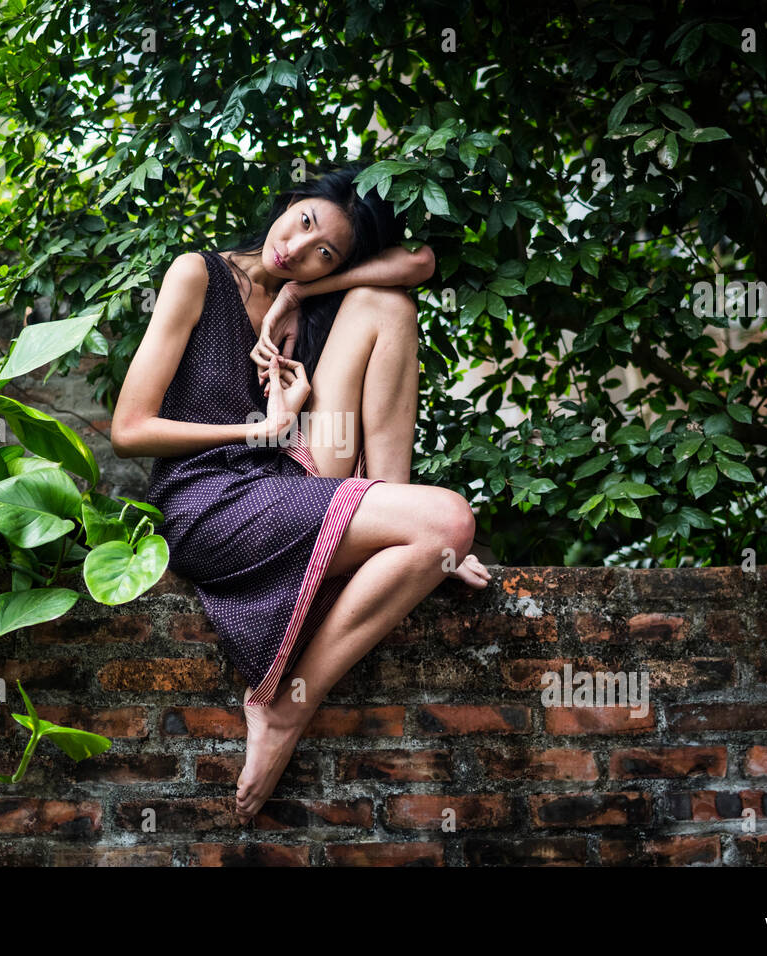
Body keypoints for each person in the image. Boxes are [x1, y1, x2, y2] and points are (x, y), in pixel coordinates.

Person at [111, 164, 491, 824]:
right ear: (291, 200)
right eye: (306, 220)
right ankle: (281, 706)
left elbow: (419, 262)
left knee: (388, 303)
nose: (299, 246)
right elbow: (128, 429)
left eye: (326, 252)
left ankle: (397, 515)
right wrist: (262, 429)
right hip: (210, 503)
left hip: (290, 481)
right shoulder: (197, 275)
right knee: (450, 521)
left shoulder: (311, 297)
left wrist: (296, 295)